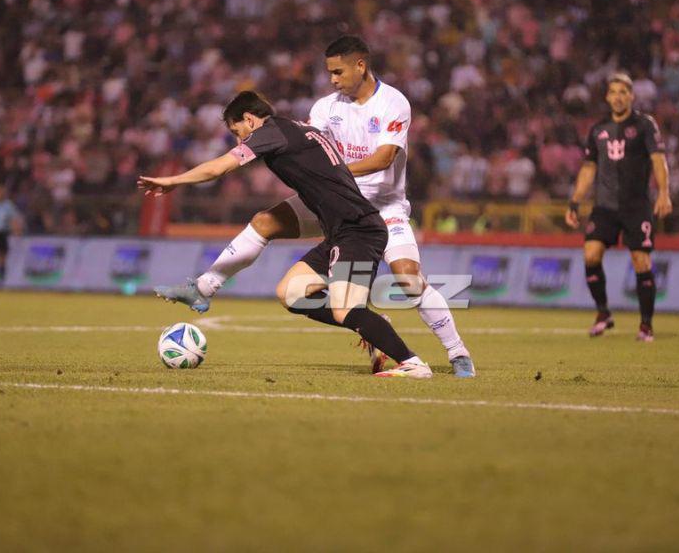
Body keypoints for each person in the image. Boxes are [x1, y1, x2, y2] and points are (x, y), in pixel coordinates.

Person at [154, 36, 475, 377]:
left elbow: (384, 158)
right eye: (329, 73)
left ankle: (456, 354)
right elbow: (311, 148)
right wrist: (323, 177)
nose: (333, 79)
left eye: (338, 72)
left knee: (408, 280)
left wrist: (329, 175)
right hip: (334, 206)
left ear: (360, 66)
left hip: (379, 206)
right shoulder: (325, 108)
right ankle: (205, 287)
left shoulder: (393, 103)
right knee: (270, 234)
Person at [138, 91, 433, 378]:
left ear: (251, 119)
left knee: (346, 308)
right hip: (338, 229)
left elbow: (220, 167)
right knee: (292, 293)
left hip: (358, 228)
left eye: (237, 130)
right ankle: (367, 323)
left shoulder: (270, 132)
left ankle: (412, 363)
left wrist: (174, 181)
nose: (239, 139)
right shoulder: (294, 129)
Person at [565, 73, 672, 342]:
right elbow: (589, 169)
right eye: (613, 92)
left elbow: (658, 160)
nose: (618, 97)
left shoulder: (645, 125)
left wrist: (664, 194)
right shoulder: (598, 130)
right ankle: (603, 313)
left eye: (623, 92)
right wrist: (575, 201)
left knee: (641, 261)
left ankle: (645, 325)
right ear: (607, 97)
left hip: (636, 206)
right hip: (605, 206)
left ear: (631, 96)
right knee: (590, 254)